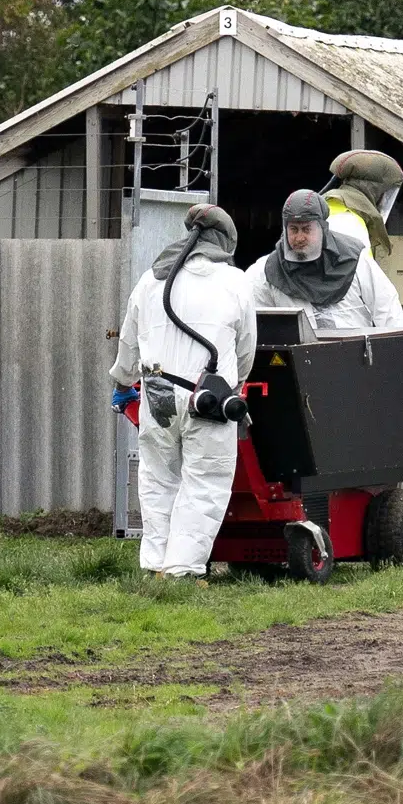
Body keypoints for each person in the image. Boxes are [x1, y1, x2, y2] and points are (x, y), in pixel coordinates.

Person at [109, 205, 256, 580]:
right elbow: (245, 349)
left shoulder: (151, 279)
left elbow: (128, 342)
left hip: (156, 392)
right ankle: (182, 571)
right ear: (225, 241)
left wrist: (123, 382)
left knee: (158, 479)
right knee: (204, 481)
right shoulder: (235, 281)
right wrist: (233, 384)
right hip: (206, 399)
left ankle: (154, 564)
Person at [247, 189, 403, 330]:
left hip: (353, 358)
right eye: (294, 229)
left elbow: (388, 313)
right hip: (298, 361)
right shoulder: (267, 270)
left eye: (306, 229)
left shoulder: (355, 260)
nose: (299, 237)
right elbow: (249, 322)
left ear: (322, 227)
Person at [323, 149, 403, 262]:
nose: (384, 199)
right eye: (386, 193)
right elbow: (360, 276)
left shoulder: (330, 207)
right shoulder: (349, 222)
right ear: (375, 189)